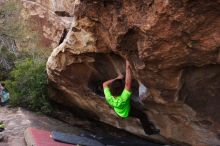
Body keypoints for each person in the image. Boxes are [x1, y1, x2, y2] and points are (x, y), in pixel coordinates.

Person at [103, 60, 160, 135]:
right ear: (121, 91)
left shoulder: (109, 97)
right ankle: (148, 131)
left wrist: (117, 78)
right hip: (127, 112)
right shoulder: (123, 98)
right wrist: (127, 68)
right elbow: (127, 84)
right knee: (142, 116)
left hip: (119, 111)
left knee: (128, 104)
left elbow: (104, 84)